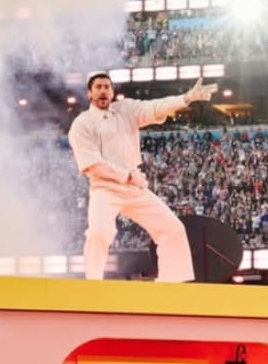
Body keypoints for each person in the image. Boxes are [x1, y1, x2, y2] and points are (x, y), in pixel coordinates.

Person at [68, 72, 217, 282]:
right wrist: (127, 176)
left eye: (106, 87)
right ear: (89, 93)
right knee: (98, 233)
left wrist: (186, 98)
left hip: (133, 186)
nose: (103, 91)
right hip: (105, 187)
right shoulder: (81, 124)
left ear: (112, 92)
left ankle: (171, 283)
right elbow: (93, 164)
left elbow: (154, 107)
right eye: (98, 87)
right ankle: (93, 283)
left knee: (172, 229)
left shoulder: (126, 110)